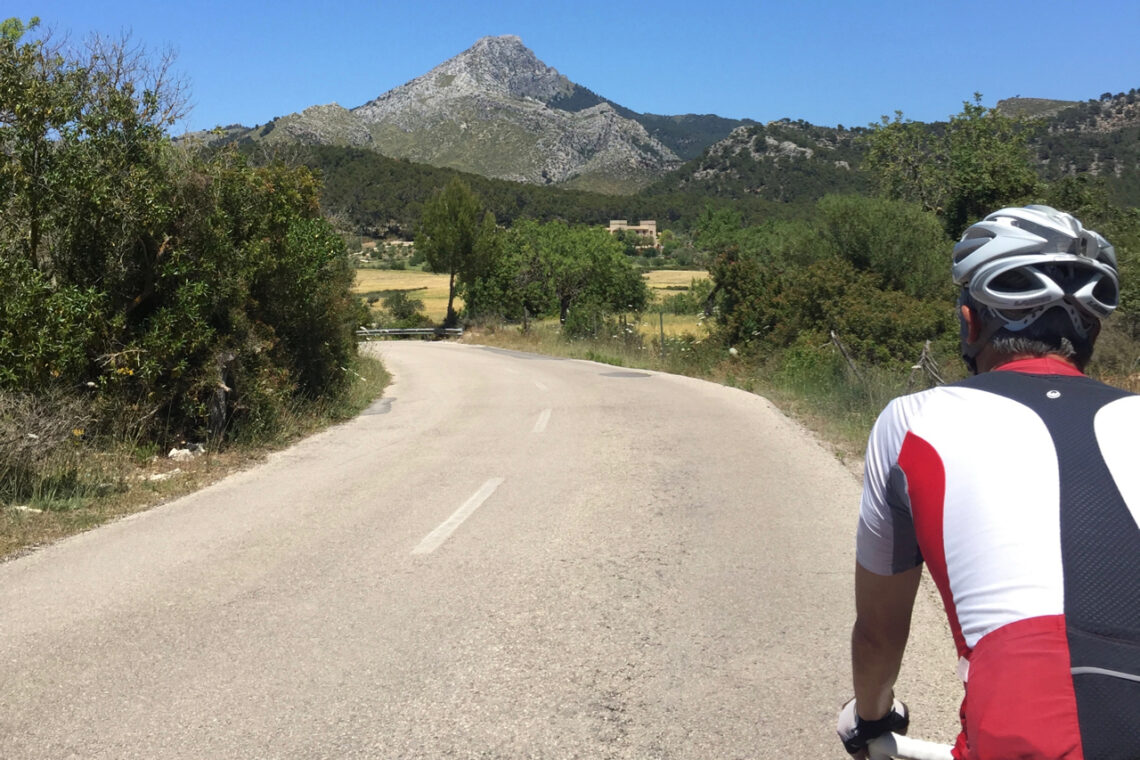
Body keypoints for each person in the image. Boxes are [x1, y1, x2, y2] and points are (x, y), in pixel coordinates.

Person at [837, 205, 1140, 759]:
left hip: (1034, 733)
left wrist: (870, 720)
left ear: (970, 323)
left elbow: (880, 632)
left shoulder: (912, 420)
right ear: (1090, 331)